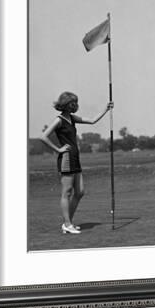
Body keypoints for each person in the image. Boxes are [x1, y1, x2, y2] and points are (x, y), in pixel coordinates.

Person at [40, 91, 113, 234]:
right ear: (65, 104)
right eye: (72, 102)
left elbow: (92, 121)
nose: (75, 105)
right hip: (66, 158)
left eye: (75, 102)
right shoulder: (59, 120)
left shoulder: (72, 118)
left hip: (75, 157)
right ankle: (67, 224)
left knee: (79, 192)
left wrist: (106, 109)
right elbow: (43, 136)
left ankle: (68, 223)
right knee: (66, 192)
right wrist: (58, 149)